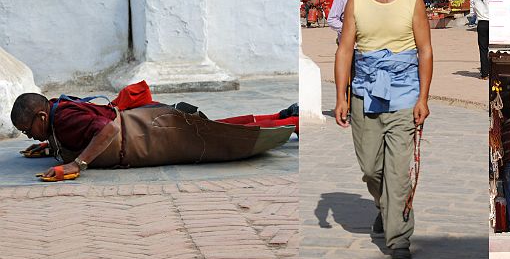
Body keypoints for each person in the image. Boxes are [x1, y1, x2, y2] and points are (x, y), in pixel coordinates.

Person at [335, 0, 434, 259]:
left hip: (404, 96)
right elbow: (345, 50)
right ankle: (385, 206)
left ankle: (399, 236)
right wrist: (341, 97)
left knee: (397, 171)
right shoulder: (356, 0)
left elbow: (426, 51)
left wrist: (424, 99)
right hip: (365, 94)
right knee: (372, 169)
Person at [10, 88, 296, 180]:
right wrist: (51, 146)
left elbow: (108, 129)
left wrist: (77, 164)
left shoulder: (65, 117)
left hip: (152, 133)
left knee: (221, 137)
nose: (29, 136)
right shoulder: (58, 116)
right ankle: (283, 116)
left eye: (28, 130)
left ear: (42, 117)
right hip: (154, 125)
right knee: (216, 129)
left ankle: (293, 121)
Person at [473, 0, 490, 79]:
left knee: (483, 50)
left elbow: (473, 10)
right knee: (493, 49)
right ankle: (493, 71)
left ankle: (484, 74)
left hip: (481, 24)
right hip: (493, 24)